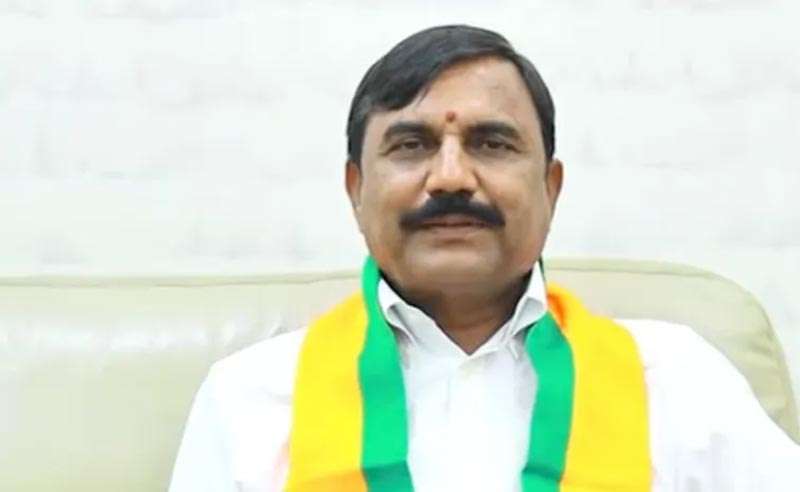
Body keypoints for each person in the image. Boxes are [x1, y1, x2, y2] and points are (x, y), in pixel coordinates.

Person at [168, 25, 799, 492]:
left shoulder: (678, 381)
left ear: (550, 188)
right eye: (411, 145)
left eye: (491, 144)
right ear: (356, 189)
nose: (450, 176)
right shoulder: (248, 397)